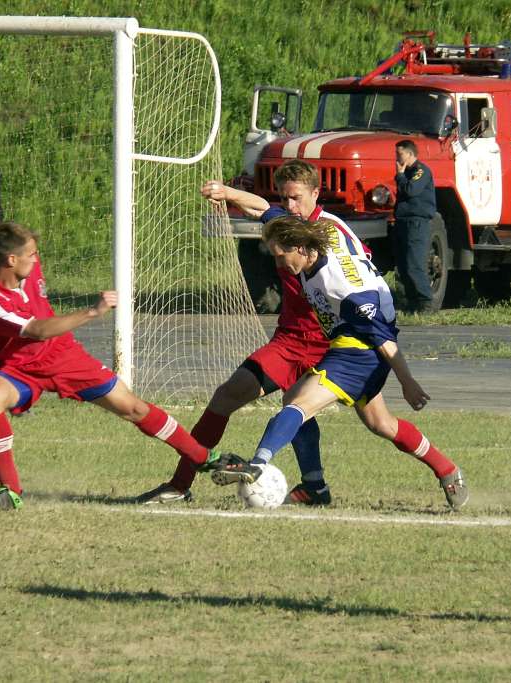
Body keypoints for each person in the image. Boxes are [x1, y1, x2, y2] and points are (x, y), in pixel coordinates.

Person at [211, 215, 469, 510]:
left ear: (302, 248)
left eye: (282, 257)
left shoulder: (344, 287)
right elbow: (270, 212)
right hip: (345, 343)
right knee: (381, 423)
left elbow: (385, 341)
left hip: (362, 352)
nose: (279, 265)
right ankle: (447, 469)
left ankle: (260, 465)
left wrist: (408, 383)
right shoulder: (308, 249)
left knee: (297, 401)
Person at [136, 159, 351, 506]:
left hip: (334, 344)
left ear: (315, 193)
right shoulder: (285, 223)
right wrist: (226, 192)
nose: (290, 206)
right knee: (228, 396)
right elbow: (263, 208)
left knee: (378, 421)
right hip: (290, 342)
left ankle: (446, 471)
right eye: (285, 198)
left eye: (296, 197)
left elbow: (361, 277)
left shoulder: (333, 234)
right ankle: (179, 484)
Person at [0, 221, 217, 509]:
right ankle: (9, 491)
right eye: (32, 254)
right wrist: (92, 312)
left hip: (63, 356)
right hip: (19, 366)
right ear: (11, 260)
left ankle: (204, 458)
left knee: (132, 407)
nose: (37, 259)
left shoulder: (26, 267)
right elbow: (36, 330)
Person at [393, 139, 437, 313]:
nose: (396, 157)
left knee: (414, 264)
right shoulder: (407, 172)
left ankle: (426, 302)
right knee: (403, 265)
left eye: (400, 153)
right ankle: (412, 302)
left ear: (410, 154)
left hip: (417, 223)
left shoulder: (420, 171)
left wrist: (400, 175)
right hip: (403, 222)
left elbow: (411, 190)